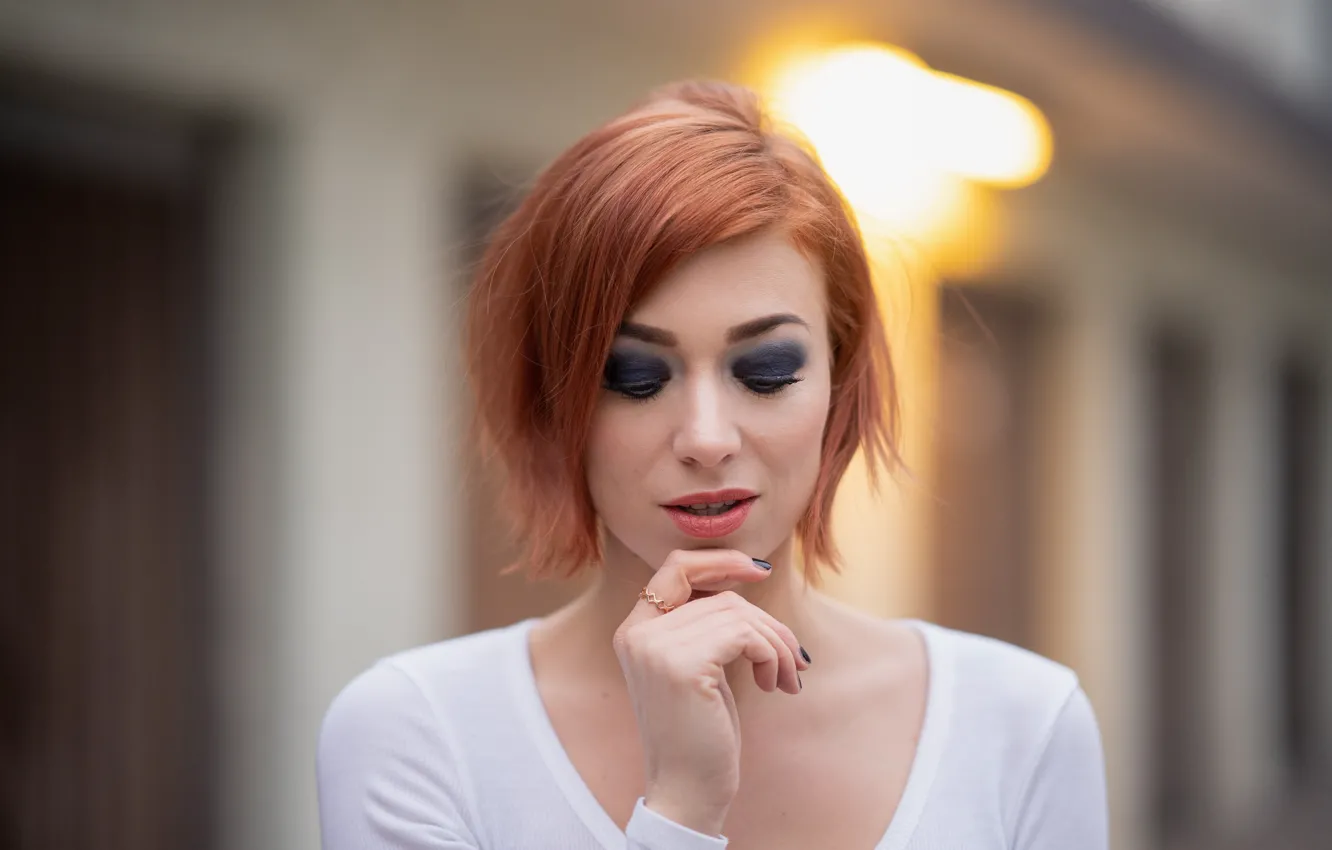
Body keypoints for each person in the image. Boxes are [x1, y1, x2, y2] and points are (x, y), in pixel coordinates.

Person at [316, 80, 1109, 849]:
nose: (706, 436)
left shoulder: (1021, 726)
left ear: (840, 379)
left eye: (764, 371)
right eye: (633, 377)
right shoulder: (419, 733)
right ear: (555, 403)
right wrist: (681, 809)